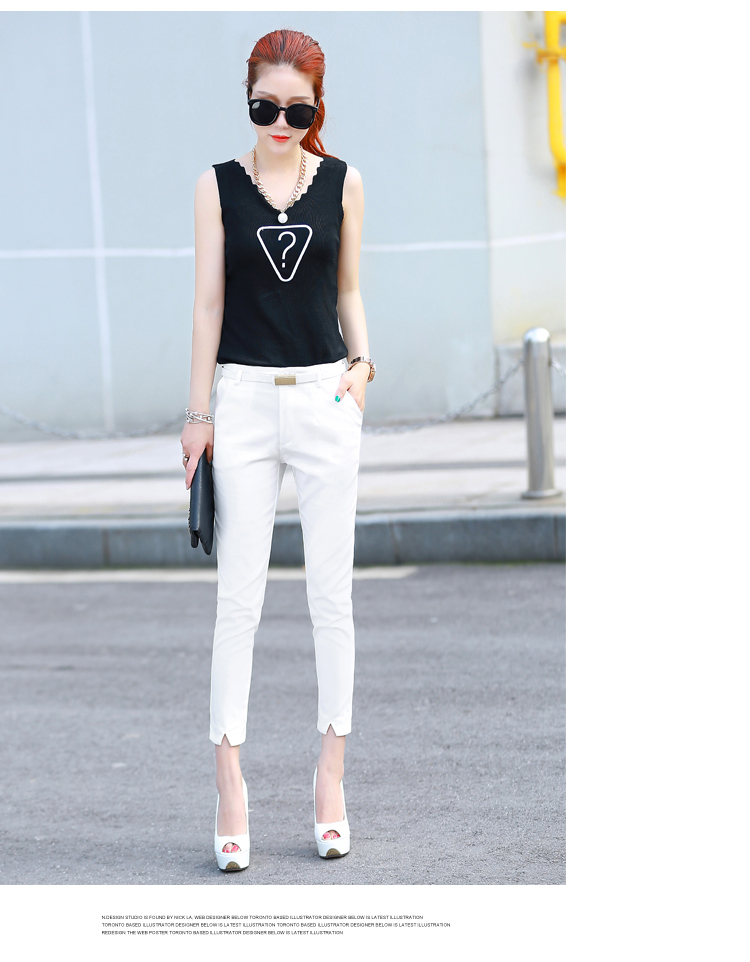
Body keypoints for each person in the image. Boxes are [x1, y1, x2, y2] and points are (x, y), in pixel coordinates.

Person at [179, 28, 374, 871]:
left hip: (327, 397)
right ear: (248, 101)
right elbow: (208, 305)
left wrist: (363, 367)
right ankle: (229, 782)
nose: (283, 124)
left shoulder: (345, 182)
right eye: (267, 108)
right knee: (239, 602)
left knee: (332, 598)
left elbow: (348, 288)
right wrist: (198, 414)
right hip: (245, 403)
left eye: (299, 110)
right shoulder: (216, 186)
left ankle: (331, 776)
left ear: (317, 106)